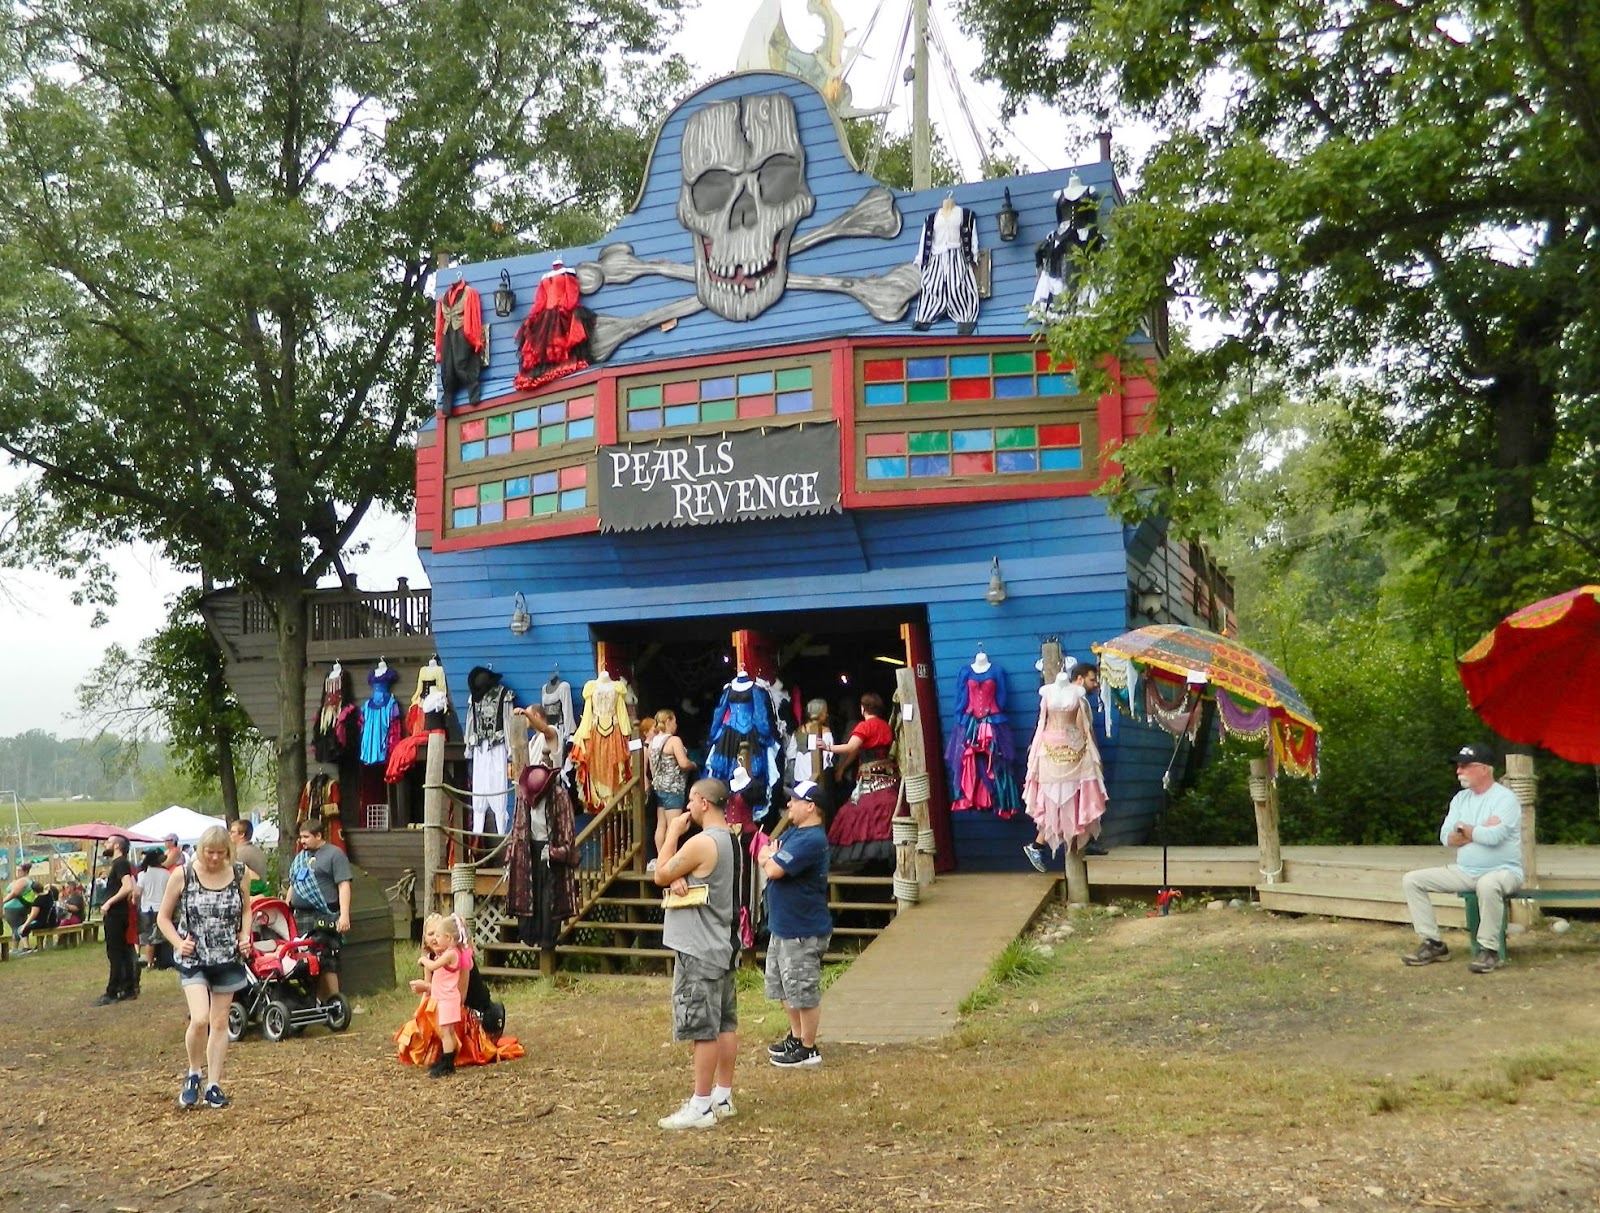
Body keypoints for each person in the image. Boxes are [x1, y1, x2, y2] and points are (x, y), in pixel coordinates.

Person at [652, 777, 739, 1129]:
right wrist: (679, 875)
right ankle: (723, 1095)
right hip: (723, 942)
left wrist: (672, 833)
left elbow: (659, 873)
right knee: (725, 1023)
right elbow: (688, 875)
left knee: (703, 1027)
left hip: (699, 947)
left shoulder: (703, 842)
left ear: (704, 802)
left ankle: (701, 1105)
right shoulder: (731, 839)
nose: (687, 808)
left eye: (690, 800)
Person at [1401, 744, 1524, 974]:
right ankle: (1433, 943)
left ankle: (1489, 950)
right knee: (1412, 880)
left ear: (1485, 769)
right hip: (1465, 870)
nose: (1459, 771)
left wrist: (1466, 830)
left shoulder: (1505, 799)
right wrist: (1475, 831)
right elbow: (1445, 837)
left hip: (1504, 871)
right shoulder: (1460, 799)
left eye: (1465, 766)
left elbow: (1495, 836)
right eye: (1458, 766)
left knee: (1488, 884)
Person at [158, 825, 252, 1109]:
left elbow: (247, 908)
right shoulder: (183, 874)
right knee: (200, 1019)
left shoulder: (239, 873)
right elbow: (163, 918)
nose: (213, 858)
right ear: (200, 850)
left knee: (221, 1021)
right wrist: (177, 942)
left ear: (228, 852)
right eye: (209, 852)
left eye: (220, 853)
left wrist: (245, 936)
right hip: (194, 957)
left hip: (226, 956)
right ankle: (193, 1073)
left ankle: (214, 1084)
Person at [759, 780, 832, 1068]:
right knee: (782, 987)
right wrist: (768, 856)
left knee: (803, 990)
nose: (789, 804)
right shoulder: (794, 834)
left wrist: (769, 858)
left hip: (803, 929)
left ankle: (809, 1048)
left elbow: (774, 868)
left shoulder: (811, 839)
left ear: (811, 806)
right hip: (784, 925)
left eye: (795, 800)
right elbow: (764, 852)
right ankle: (796, 1035)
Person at [1023, 661, 1108, 872]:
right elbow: (1042, 722)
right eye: (1092, 679)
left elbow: (1082, 726)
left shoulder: (1077, 694)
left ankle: (1080, 841)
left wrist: (1088, 747)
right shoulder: (1047, 693)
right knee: (1054, 797)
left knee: (1078, 795)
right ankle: (1042, 845)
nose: (1095, 683)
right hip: (1051, 750)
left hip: (1074, 748)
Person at [823, 692, 900, 869]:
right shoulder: (886, 726)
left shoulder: (864, 727)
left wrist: (828, 747)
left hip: (868, 781)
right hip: (888, 780)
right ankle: (883, 859)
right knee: (887, 812)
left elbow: (851, 747)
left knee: (853, 813)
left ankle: (870, 858)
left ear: (863, 708)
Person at [287, 817, 353, 998]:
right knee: (305, 958)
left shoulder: (334, 854)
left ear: (318, 835)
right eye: (301, 837)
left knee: (326, 957)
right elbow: (294, 884)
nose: (302, 841)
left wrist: (344, 915)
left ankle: (335, 1002)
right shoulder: (301, 857)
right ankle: (315, 1001)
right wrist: (286, 907)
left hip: (324, 914)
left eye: (306, 837)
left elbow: (344, 885)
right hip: (300, 916)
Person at [413, 913, 470, 1078]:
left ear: (448, 938)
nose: (436, 939)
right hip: (446, 999)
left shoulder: (451, 954)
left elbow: (433, 965)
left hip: (448, 1000)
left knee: (446, 1033)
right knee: (448, 1032)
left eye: (438, 936)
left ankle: (447, 1063)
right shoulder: (451, 952)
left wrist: (423, 961)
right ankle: (446, 1060)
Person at [646, 708, 696, 872]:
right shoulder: (674, 741)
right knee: (674, 826)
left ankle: (661, 857)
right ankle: (669, 861)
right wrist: (693, 764)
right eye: (674, 721)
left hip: (659, 787)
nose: (676, 724)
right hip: (674, 788)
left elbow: (652, 769)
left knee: (661, 825)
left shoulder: (653, 742)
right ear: (668, 721)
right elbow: (682, 763)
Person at [96, 837, 139, 1004]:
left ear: (116, 846)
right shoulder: (124, 864)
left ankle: (112, 991)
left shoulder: (120, 863)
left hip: (116, 914)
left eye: (107, 842)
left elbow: (128, 886)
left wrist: (109, 902)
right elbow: (134, 889)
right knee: (124, 951)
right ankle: (128, 988)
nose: (105, 845)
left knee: (115, 953)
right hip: (122, 913)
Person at [136, 846, 171, 969]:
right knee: (165, 937)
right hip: (163, 908)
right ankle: (165, 961)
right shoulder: (166, 873)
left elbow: (138, 893)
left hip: (147, 909)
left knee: (149, 938)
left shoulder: (142, 875)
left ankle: (150, 962)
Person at [229, 819, 271, 895]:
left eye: (232, 832)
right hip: (261, 895)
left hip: (250, 895)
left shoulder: (240, 853)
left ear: (242, 834)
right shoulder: (257, 851)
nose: (230, 834)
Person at [4, 862, 38, 954]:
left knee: (16, 928)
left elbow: (14, 893)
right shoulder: (30, 880)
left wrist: (3, 902)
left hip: (13, 907)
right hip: (23, 907)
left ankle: (25, 947)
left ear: (25, 871)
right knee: (19, 926)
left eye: (19, 870)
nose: (17, 872)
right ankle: (15, 948)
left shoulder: (22, 881)